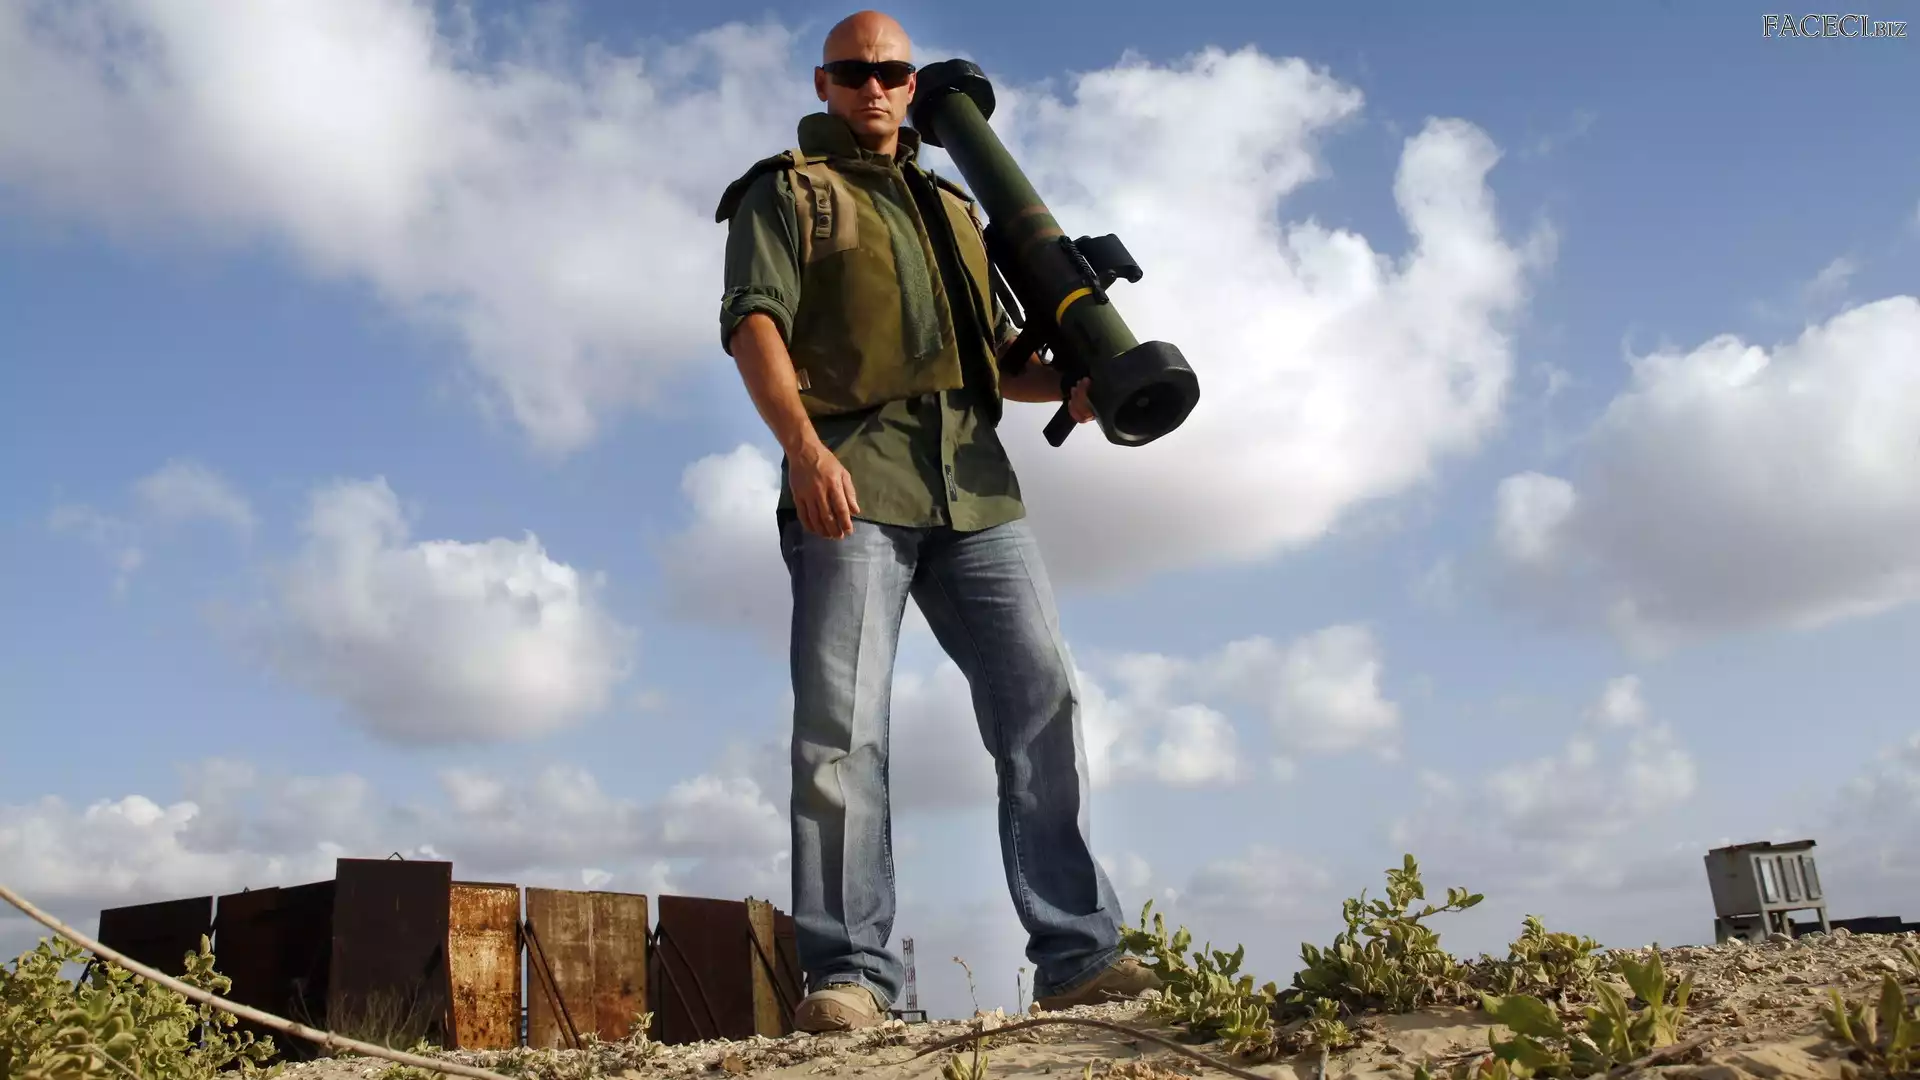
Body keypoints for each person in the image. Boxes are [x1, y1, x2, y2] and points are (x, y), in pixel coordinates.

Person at [714, 9, 1161, 1033]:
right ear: (823, 84)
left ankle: (1080, 957)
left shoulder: (955, 206)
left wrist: (1075, 390)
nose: (873, 87)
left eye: (890, 72)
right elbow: (753, 326)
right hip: (852, 481)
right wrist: (806, 451)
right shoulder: (785, 192)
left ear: (913, 86)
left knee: (1042, 702)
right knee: (842, 734)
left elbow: (998, 359)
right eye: (852, 72)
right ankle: (850, 977)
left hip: (978, 490)